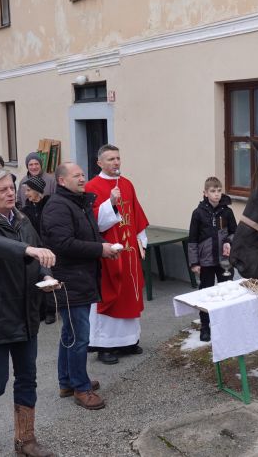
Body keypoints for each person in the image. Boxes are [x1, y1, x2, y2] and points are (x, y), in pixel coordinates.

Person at [0, 168, 57, 456]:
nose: (9, 193)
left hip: (25, 312)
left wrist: (45, 275)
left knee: (28, 377)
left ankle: (25, 441)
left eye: (11, 187)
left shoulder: (22, 219)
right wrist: (28, 249)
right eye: (2, 189)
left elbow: (38, 254)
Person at [42, 162, 119, 409]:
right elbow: (63, 243)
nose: (82, 178)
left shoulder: (78, 202)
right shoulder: (57, 206)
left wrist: (105, 248)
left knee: (70, 333)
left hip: (81, 277)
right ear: (62, 181)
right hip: (69, 278)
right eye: (76, 175)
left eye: (83, 174)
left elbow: (90, 233)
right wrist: (100, 249)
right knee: (79, 337)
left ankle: (67, 381)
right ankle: (80, 388)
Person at [84, 144, 149, 365]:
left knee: (130, 293)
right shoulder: (92, 186)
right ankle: (105, 345)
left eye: (118, 158)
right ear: (99, 163)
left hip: (129, 251)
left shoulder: (127, 184)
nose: (116, 162)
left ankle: (128, 341)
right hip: (108, 251)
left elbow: (136, 213)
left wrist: (141, 238)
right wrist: (109, 203)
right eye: (110, 159)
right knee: (109, 295)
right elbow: (93, 224)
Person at [188, 177, 237, 341]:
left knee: (227, 292)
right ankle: (205, 326)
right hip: (206, 262)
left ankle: (227, 324)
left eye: (218, 191)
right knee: (206, 294)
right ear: (205, 193)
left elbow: (234, 232)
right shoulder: (198, 213)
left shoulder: (227, 211)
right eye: (212, 191)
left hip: (225, 261)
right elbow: (193, 239)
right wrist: (194, 262)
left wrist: (230, 242)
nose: (216, 194)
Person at [20, 174, 56, 325]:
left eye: (29, 190)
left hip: (49, 246)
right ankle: (39, 310)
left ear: (37, 190)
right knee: (37, 277)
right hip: (34, 247)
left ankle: (51, 311)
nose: (26, 194)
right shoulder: (25, 209)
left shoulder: (50, 205)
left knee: (49, 277)